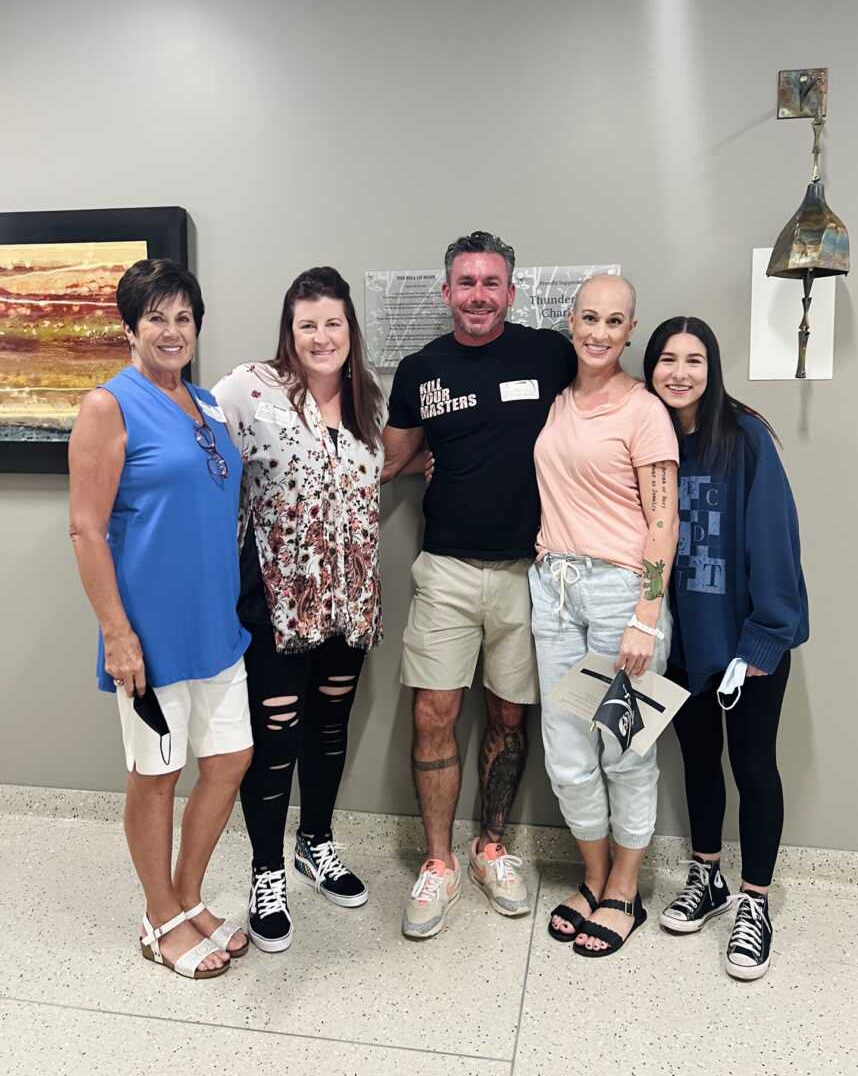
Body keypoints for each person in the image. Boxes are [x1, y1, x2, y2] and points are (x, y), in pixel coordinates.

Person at [382, 230, 576, 939]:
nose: (478, 296)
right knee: (433, 712)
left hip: (534, 574)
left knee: (509, 719)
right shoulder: (418, 368)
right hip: (447, 571)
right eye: (466, 283)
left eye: (491, 283)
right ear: (446, 293)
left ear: (511, 292)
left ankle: (491, 848)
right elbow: (393, 459)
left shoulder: (549, 353)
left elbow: (600, 413)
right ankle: (439, 862)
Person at [68, 258, 253, 980]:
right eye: (156, 317)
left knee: (230, 760)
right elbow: (86, 529)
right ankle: (159, 918)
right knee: (157, 774)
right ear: (131, 327)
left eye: (183, 317)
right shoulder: (108, 406)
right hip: (149, 636)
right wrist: (117, 634)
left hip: (217, 627)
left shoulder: (205, 403)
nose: (172, 331)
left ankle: (187, 895)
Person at [213, 267, 385, 953]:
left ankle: (317, 842)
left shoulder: (369, 400)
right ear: (289, 331)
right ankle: (267, 872)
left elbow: (378, 471)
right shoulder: (250, 389)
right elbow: (200, 457)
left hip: (351, 599)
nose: (321, 336)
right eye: (307, 324)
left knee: (331, 725)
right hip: (277, 603)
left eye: (333, 323)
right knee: (276, 736)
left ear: (350, 330)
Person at [644, 317, 808, 981]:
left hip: (745, 648)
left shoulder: (744, 437)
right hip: (678, 644)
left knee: (753, 765)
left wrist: (765, 636)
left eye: (694, 360)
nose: (678, 372)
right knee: (698, 761)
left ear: (712, 369)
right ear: (650, 366)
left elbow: (774, 539)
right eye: (666, 360)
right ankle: (707, 874)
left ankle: (756, 900)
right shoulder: (647, 438)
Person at [531, 274, 680, 958]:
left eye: (614, 322)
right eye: (589, 317)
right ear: (571, 320)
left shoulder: (643, 409)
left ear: (629, 330)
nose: (598, 332)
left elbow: (662, 521)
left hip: (622, 595)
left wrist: (646, 616)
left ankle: (626, 887)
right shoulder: (559, 402)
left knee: (624, 751)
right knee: (567, 755)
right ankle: (593, 878)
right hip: (554, 589)